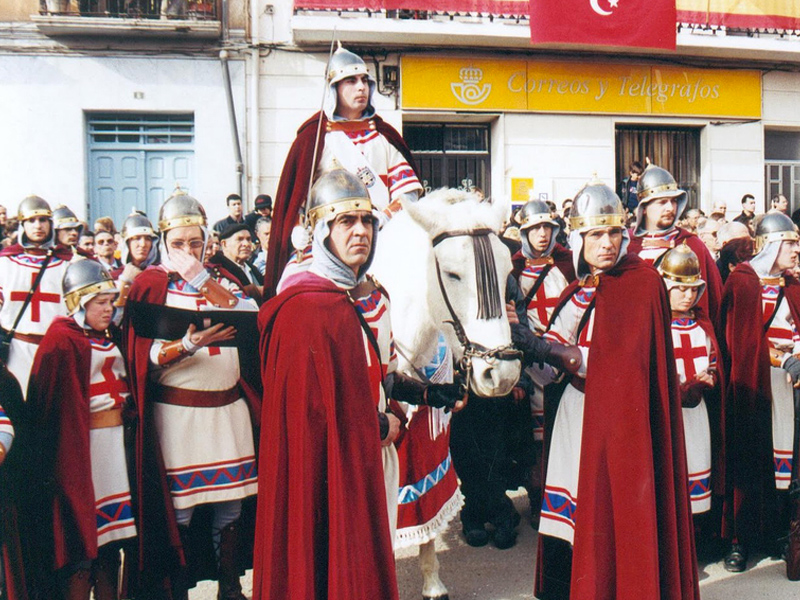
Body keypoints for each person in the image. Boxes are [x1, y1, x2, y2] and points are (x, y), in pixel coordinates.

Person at [254, 169, 460, 600]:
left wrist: (424, 393)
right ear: (320, 231)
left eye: (366, 221)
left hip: (374, 458)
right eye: (346, 222)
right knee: (328, 563)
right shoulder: (303, 305)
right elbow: (309, 411)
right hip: (326, 465)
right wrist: (376, 427)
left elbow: (380, 376)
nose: (360, 232)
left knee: (369, 561)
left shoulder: (374, 297)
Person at [512, 180, 699, 600]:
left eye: (614, 232)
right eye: (596, 234)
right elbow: (550, 366)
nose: (607, 242)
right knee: (570, 524)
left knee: (615, 523)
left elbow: (626, 368)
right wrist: (526, 340)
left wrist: (571, 356)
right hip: (576, 419)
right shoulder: (577, 290)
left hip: (621, 429)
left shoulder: (643, 283)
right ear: (578, 238)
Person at [123, 190, 259, 600]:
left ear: (206, 239)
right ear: (165, 241)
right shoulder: (150, 285)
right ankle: (175, 588)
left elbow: (250, 318)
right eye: (179, 244)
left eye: (195, 242)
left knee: (231, 504)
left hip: (228, 411)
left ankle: (230, 585)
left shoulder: (225, 280)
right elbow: (140, 358)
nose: (187, 251)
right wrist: (186, 345)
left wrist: (204, 281)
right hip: (178, 416)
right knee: (179, 510)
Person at [265, 43, 422, 298]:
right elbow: (298, 199)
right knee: (293, 290)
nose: (361, 86)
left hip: (383, 239)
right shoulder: (314, 137)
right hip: (329, 242)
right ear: (333, 88)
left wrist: (383, 218)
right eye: (350, 80)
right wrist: (297, 229)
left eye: (364, 80)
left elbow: (408, 194)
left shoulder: (383, 135)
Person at [25, 259, 136, 600]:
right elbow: (46, 411)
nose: (108, 308)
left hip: (115, 447)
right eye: (100, 302)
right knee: (81, 540)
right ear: (79, 304)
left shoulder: (109, 335)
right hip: (82, 454)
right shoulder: (60, 340)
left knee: (113, 538)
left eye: (110, 300)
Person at [719, 211, 800, 573]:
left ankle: (778, 532)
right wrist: (778, 358)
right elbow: (740, 342)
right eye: (791, 243)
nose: (797, 250)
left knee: (784, 465)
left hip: (788, 391)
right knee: (749, 460)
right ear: (770, 245)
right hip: (752, 387)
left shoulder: (793, 285)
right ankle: (739, 540)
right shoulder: (743, 282)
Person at [511, 200, 575, 526]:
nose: (541, 234)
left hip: (564, 359)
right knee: (536, 439)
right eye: (534, 228)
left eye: (546, 228)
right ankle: (538, 499)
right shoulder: (514, 268)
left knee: (563, 432)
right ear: (524, 232)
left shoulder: (566, 263)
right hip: (532, 362)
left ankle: (563, 498)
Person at [659, 244, 724, 555]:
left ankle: (693, 544)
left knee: (697, 468)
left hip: (696, 414)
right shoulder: (656, 326)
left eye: (693, 289)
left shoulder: (702, 325)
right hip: (668, 415)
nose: (687, 296)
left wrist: (709, 375)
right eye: (679, 289)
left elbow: (713, 359)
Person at [627, 163, 723, 324]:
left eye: (673, 201)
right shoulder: (628, 246)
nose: (670, 208)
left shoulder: (693, 245)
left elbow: (713, 303)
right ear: (644, 207)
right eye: (662, 202)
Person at [0, 196, 72, 397]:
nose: (38, 226)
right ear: (23, 225)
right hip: (16, 350)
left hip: (54, 352)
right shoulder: (6, 263)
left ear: (50, 224)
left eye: (43, 220)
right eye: (31, 220)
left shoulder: (67, 264)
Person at [112, 212, 160, 306]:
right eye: (137, 238)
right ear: (127, 243)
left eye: (147, 239)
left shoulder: (160, 273)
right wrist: (125, 281)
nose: (143, 244)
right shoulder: (114, 276)